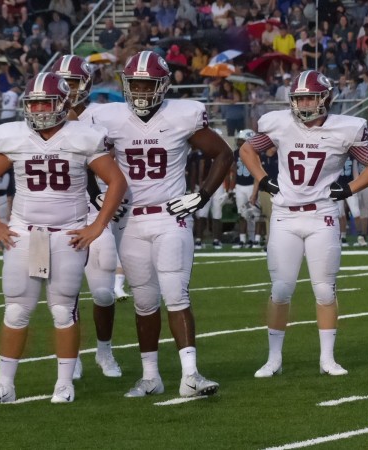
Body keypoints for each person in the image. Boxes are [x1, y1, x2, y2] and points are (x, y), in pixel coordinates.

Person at [82, 51, 233, 398]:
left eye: (146, 84)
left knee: (176, 294)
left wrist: (202, 195)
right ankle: (151, 376)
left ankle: (191, 375)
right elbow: (82, 155)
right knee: (145, 302)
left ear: (162, 86)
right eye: (134, 83)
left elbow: (224, 153)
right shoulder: (106, 117)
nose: (139, 91)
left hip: (170, 215)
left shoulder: (182, 115)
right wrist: (96, 198)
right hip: (129, 221)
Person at [0, 72, 127, 404]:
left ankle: (63, 383)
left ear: (64, 103)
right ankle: (5, 384)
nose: (40, 109)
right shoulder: (12, 135)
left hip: (66, 233)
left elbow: (116, 181)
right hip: (24, 233)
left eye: (46, 101)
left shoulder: (83, 136)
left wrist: (97, 225)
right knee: (16, 310)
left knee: (62, 310)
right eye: (34, 103)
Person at [239, 70, 368, 378]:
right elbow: (247, 149)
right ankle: (273, 359)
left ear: (325, 99)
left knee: (324, 290)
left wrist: (348, 190)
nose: (303, 103)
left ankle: (327, 359)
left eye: (309, 97)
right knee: (280, 289)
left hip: (322, 215)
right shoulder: (279, 123)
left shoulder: (345, 128)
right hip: (285, 215)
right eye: (299, 98)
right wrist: (263, 180)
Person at [53, 54, 125, 379]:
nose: (68, 89)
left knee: (104, 292)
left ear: (86, 83)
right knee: (63, 294)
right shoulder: (43, 120)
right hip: (58, 215)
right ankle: (72, 355)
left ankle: (104, 351)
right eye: (63, 82)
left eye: (73, 81)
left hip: (95, 212)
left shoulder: (102, 118)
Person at [230, 129, 260, 249]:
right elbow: (233, 172)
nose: (238, 143)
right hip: (240, 186)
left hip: (252, 185)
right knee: (242, 214)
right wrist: (231, 189)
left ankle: (254, 240)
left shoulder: (256, 153)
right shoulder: (236, 153)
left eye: (241, 140)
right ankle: (242, 240)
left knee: (255, 214)